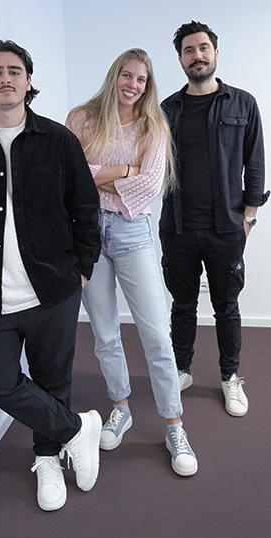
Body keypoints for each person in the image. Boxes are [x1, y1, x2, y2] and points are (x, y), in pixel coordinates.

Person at [0, 40, 103, 512]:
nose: (5, 78)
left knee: (53, 379)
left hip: (53, 288)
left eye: (15, 70)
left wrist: (83, 269)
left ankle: (47, 458)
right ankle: (78, 429)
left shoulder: (58, 140)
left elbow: (85, 207)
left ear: (29, 82)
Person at [66, 48, 198, 477]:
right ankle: (120, 407)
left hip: (131, 231)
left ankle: (174, 425)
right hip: (86, 232)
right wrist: (125, 168)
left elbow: (150, 184)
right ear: (115, 75)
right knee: (105, 334)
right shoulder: (81, 118)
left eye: (141, 80)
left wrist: (98, 172)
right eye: (127, 75)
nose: (133, 85)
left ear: (148, 85)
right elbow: (71, 175)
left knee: (156, 334)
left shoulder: (154, 125)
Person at [159, 21, 270, 417]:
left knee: (227, 306)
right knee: (182, 305)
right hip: (178, 227)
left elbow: (255, 163)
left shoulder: (243, 104)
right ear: (180, 60)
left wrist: (249, 217)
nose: (198, 56)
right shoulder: (166, 110)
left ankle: (229, 377)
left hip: (227, 228)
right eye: (189, 50)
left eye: (203, 48)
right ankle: (182, 370)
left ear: (216, 53)